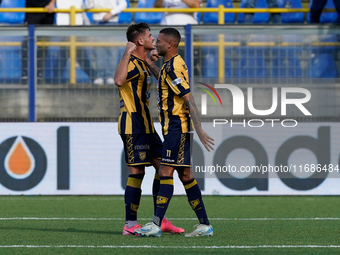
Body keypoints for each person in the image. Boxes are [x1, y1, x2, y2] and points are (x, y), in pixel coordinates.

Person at [134, 28, 214, 237]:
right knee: (186, 175)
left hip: (177, 128)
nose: (156, 44)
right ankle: (204, 224)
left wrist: (199, 128)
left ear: (169, 45)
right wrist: (150, 64)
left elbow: (189, 98)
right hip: (175, 128)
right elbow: (164, 79)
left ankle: (156, 223)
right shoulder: (171, 65)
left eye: (159, 41)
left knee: (165, 171)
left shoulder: (173, 67)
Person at [114, 22, 184, 236]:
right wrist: (127, 53)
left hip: (146, 124)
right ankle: (130, 224)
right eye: (150, 36)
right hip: (132, 125)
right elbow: (118, 80)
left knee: (163, 167)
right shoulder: (131, 62)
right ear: (139, 41)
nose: (153, 39)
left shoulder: (141, 62)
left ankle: (159, 220)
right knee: (137, 172)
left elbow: (160, 76)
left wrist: (149, 59)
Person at [53, 0, 97, 84]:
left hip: (75, 34)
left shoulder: (78, 5)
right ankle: (94, 77)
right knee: (65, 57)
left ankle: (56, 79)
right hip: (67, 33)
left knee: (78, 58)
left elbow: (84, 14)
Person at [85, 0, 128, 86]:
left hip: (112, 22)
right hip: (98, 22)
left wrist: (111, 13)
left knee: (112, 50)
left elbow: (124, 4)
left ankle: (110, 76)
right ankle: (100, 76)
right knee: (99, 51)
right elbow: (88, 6)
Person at [21, 0, 56, 83]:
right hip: (32, 11)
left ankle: (39, 73)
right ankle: (25, 73)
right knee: (27, 42)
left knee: (43, 45)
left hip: (48, 12)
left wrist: (51, 4)